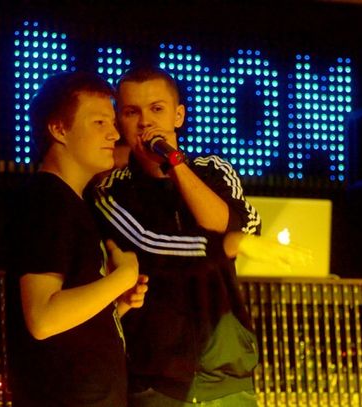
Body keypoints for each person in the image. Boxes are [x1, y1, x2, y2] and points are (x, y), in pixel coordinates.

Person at [90, 66, 263, 407]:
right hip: (157, 383)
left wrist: (174, 163)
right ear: (119, 121)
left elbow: (234, 227)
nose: (146, 122)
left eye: (157, 109)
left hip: (228, 378)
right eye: (132, 112)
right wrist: (228, 245)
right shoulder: (111, 191)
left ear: (178, 115)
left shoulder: (214, 170)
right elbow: (152, 247)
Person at [5, 71, 148, 407]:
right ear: (59, 129)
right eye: (99, 122)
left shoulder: (73, 203)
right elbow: (43, 318)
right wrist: (122, 277)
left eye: (112, 122)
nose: (114, 134)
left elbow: (67, 324)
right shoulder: (47, 200)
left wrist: (116, 305)